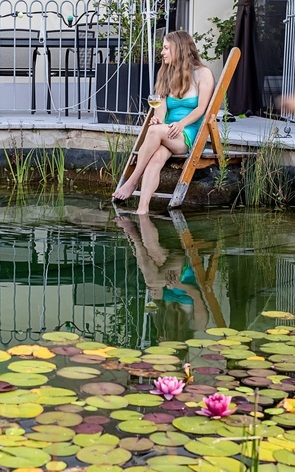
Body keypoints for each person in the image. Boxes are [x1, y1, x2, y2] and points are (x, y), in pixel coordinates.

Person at [112, 31, 215, 215]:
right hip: (167, 131)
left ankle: (133, 180)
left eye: (166, 48)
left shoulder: (202, 74)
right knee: (157, 157)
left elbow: (202, 109)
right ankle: (142, 209)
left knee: (154, 132)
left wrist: (181, 124)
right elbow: (161, 110)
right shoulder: (165, 73)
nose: (162, 52)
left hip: (187, 132)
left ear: (179, 49)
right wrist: (158, 120)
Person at [116, 214, 208, 341]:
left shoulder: (160, 323)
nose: (159, 339)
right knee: (155, 256)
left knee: (154, 272)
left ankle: (134, 231)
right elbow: (197, 296)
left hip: (165, 271)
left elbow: (151, 306)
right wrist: (179, 285)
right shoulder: (196, 325)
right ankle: (133, 233)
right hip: (185, 265)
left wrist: (156, 295)